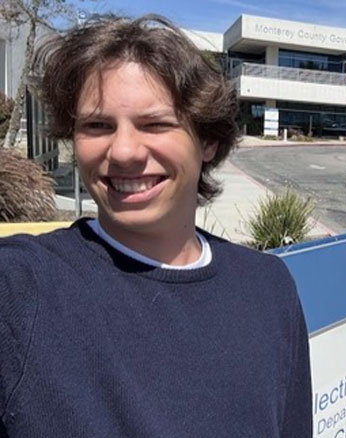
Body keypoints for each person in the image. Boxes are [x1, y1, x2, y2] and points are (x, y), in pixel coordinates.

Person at [0, 15, 311, 437]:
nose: (124, 151)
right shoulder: (23, 289)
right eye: (97, 125)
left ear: (208, 141)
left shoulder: (269, 288)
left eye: (155, 124)